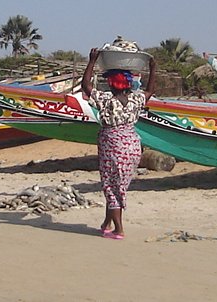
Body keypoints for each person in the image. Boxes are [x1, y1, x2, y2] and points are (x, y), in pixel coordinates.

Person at [81, 47, 156, 240]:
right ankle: (106, 223)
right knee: (118, 185)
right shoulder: (136, 99)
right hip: (132, 144)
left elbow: (86, 86)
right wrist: (152, 67)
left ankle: (119, 229)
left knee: (111, 186)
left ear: (111, 84)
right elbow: (150, 90)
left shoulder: (106, 99)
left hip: (113, 145)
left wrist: (92, 61)